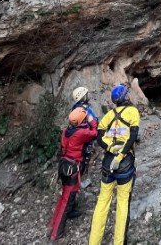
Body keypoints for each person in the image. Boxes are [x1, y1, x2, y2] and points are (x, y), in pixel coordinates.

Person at [88, 85, 141, 245]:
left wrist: (110, 148)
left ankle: (93, 242)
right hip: (124, 163)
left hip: (107, 163)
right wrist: (121, 154)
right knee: (122, 202)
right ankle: (118, 242)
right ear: (126, 97)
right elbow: (133, 136)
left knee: (102, 201)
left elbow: (99, 135)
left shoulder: (109, 115)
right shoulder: (133, 112)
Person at [49, 108, 98, 241]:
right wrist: (91, 121)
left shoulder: (66, 131)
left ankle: (52, 227)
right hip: (72, 168)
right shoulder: (81, 133)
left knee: (63, 197)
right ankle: (56, 233)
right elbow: (95, 133)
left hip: (64, 165)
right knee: (66, 201)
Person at [70, 86, 98, 177]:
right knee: (85, 157)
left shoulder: (75, 108)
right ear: (83, 97)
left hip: (77, 135)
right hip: (86, 135)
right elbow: (94, 121)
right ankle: (82, 174)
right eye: (86, 95)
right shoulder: (86, 109)